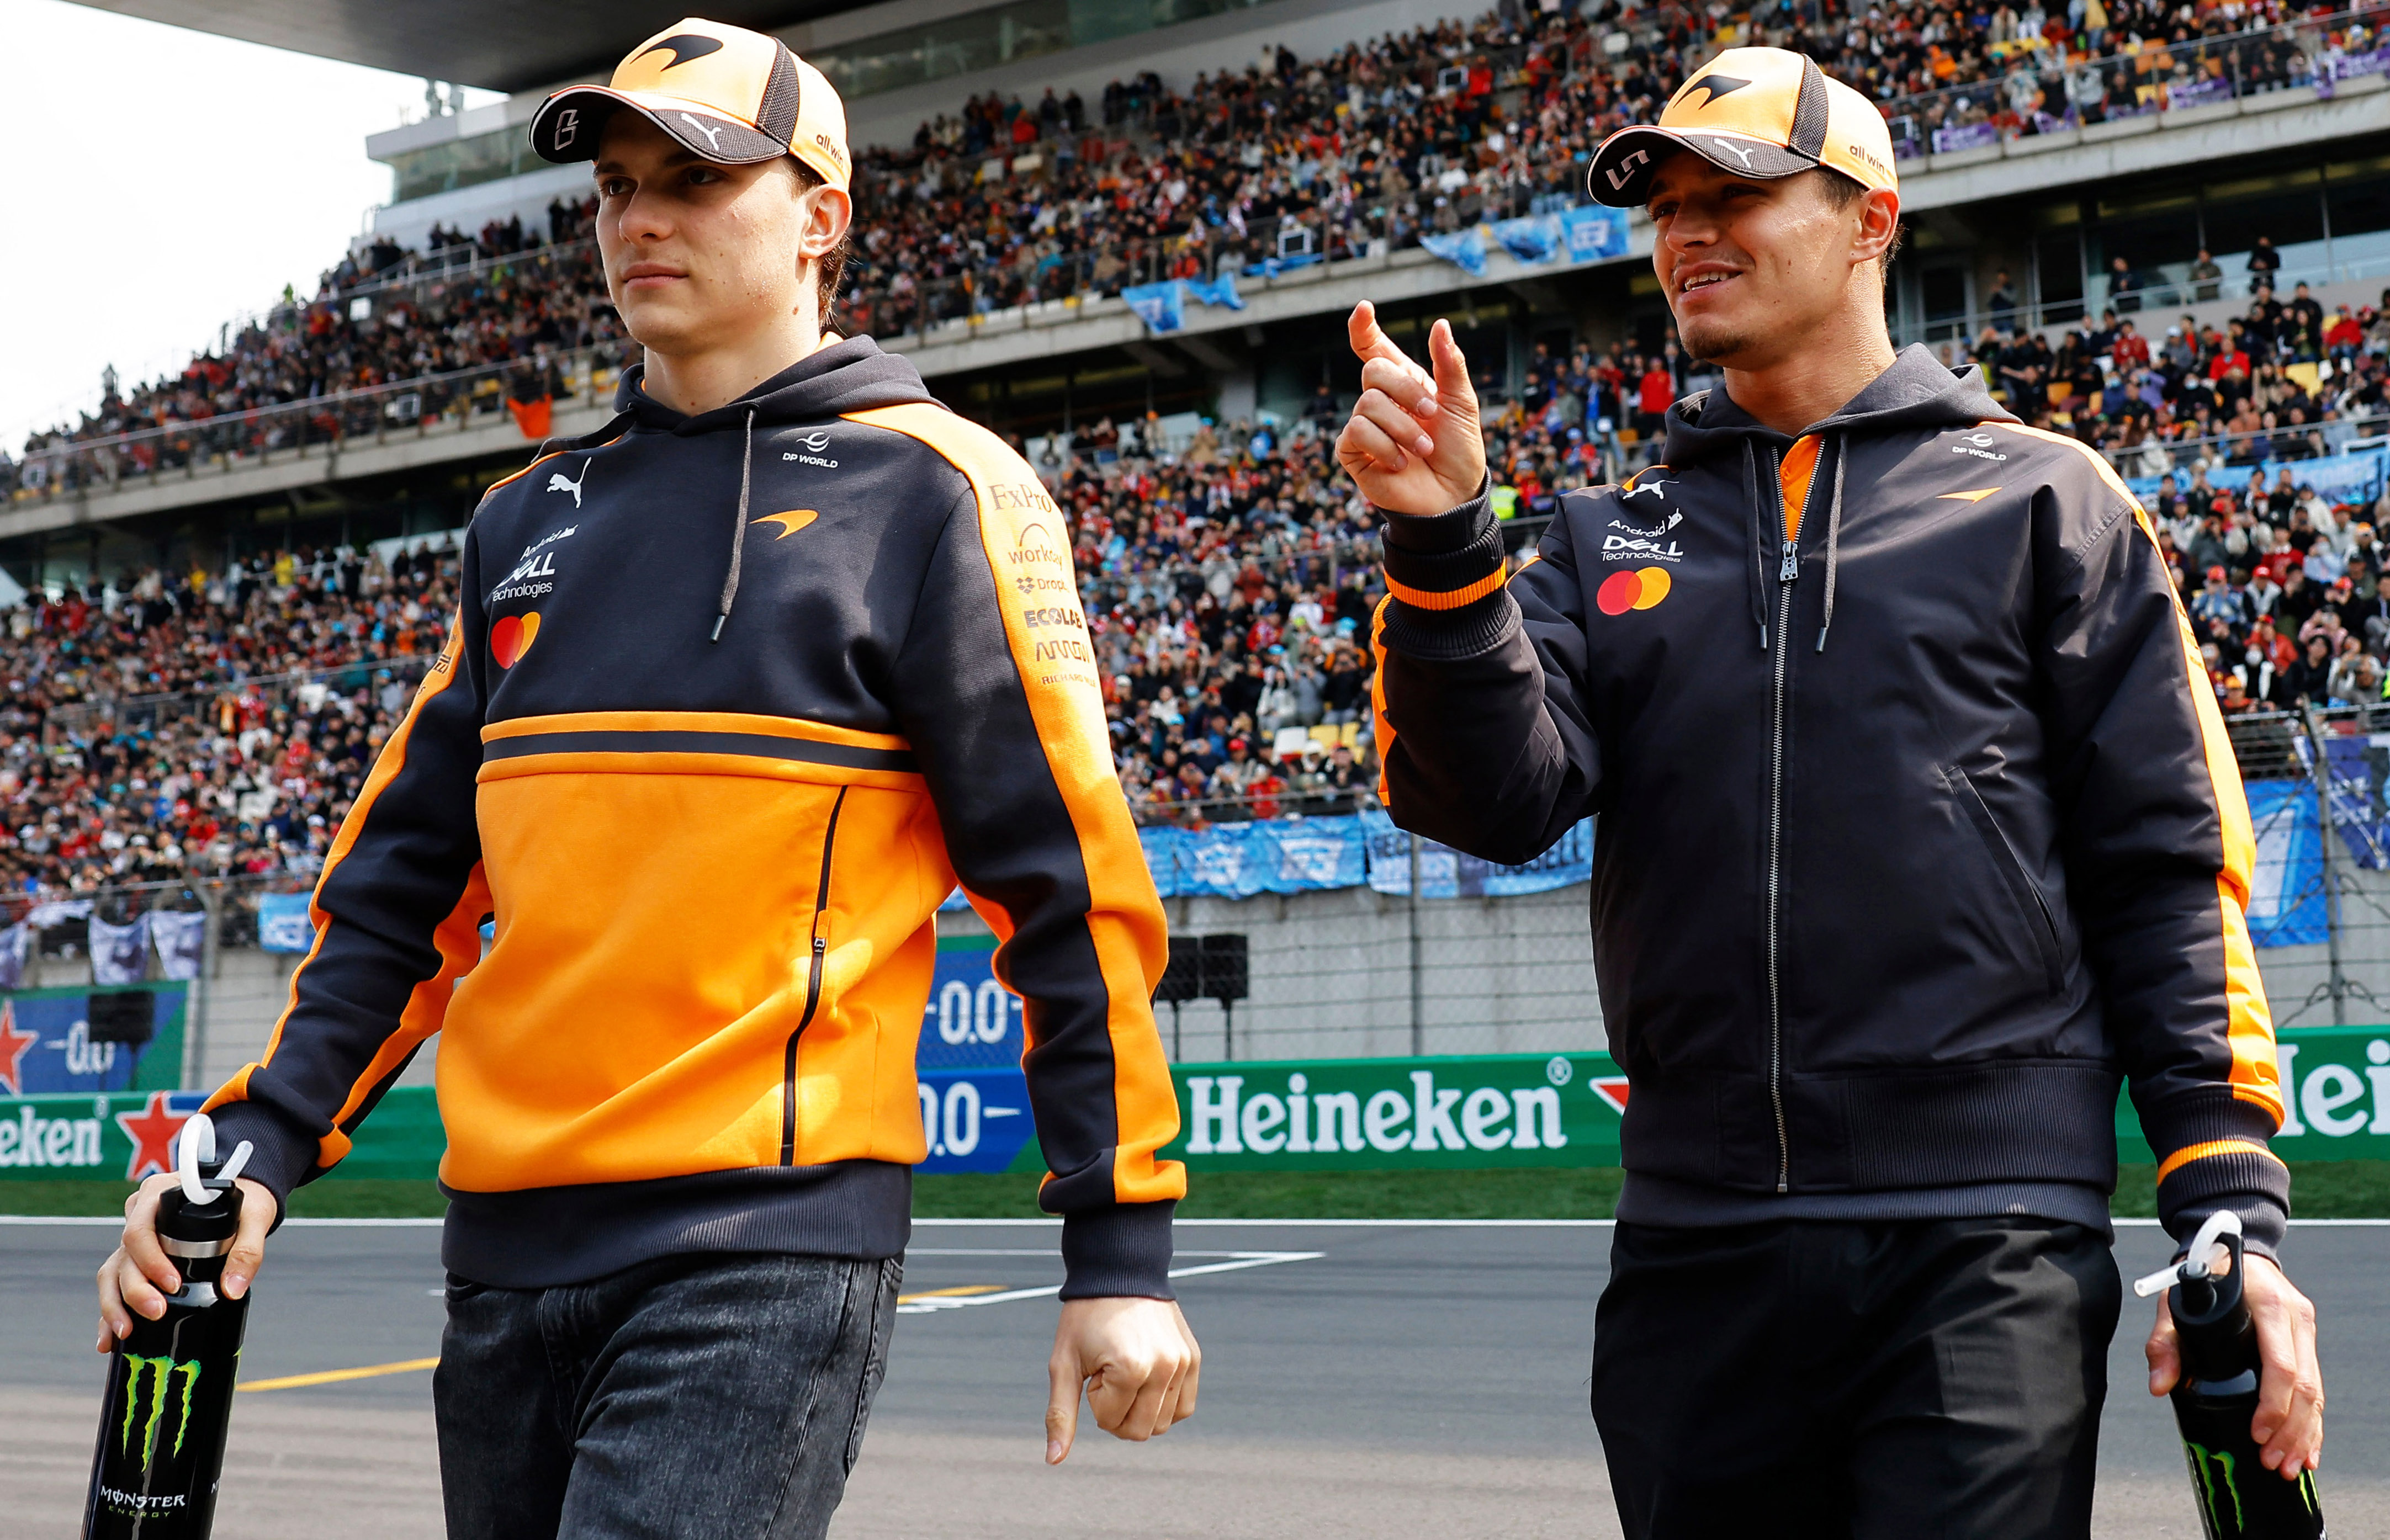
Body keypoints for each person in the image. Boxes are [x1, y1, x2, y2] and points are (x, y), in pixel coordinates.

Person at [95, 19, 1197, 1540]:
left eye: (693, 180)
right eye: (616, 186)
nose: (638, 219)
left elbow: (1067, 890)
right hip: (500, 1260)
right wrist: (247, 1153)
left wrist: (1119, 1252)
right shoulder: (520, 519)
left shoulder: (940, 491)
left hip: (763, 1252)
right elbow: (401, 894)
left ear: (820, 219)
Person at [1336, 46, 2322, 1538]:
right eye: (1664, 207)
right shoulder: (1604, 539)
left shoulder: (2049, 496)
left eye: (1734, 194)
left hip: (1982, 1237)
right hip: (1693, 1242)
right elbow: (1487, 804)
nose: (1686, 232)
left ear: (1872, 221)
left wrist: (2230, 1214)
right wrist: (1439, 547)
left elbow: (2168, 873)